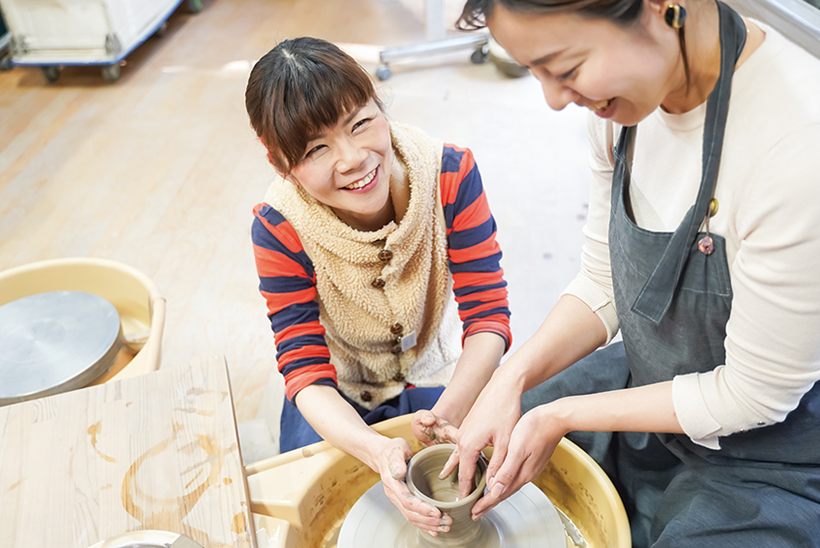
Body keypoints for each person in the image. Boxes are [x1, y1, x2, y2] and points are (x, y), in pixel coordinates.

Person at [444, 0, 820, 546]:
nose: (553, 100)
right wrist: (511, 378)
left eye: (566, 69)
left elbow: (753, 396)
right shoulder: (624, 113)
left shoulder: (796, 148)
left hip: (770, 450)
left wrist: (563, 414)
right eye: (536, 74)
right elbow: (603, 280)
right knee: (487, 439)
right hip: (655, 381)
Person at [245, 37, 512, 536]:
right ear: (279, 162)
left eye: (361, 123)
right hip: (338, 390)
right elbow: (304, 370)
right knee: (317, 505)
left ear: (379, 106)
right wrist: (372, 449)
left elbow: (489, 317)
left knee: (498, 456)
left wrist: (448, 410)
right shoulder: (279, 225)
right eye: (316, 148)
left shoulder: (449, 173)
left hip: (433, 376)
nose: (352, 158)